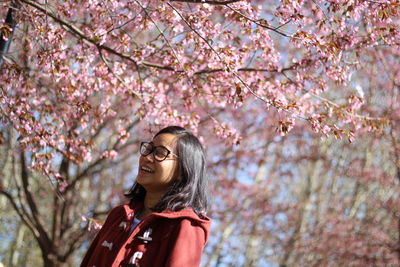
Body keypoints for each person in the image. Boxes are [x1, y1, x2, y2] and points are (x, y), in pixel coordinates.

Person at [80, 126, 211, 267]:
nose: (147, 158)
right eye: (149, 149)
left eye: (160, 153)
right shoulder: (118, 215)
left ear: (183, 171)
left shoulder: (186, 226)